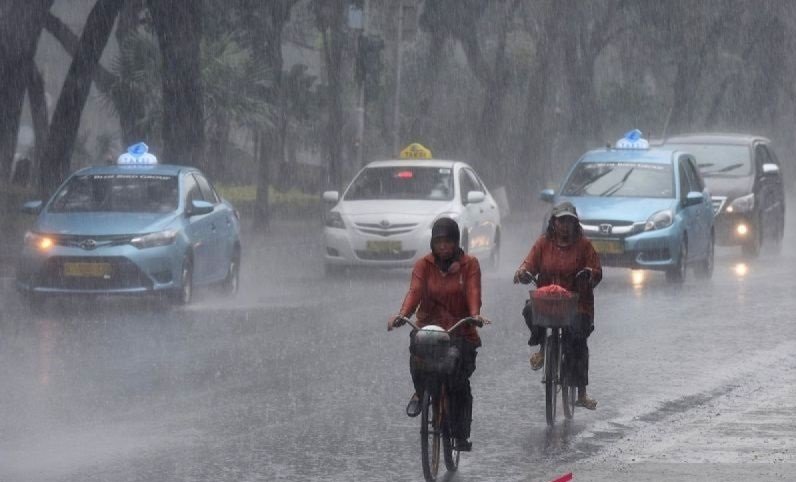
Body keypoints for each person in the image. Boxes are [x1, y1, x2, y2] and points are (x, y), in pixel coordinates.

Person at [387, 217, 488, 451]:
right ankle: (420, 393)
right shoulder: (423, 265)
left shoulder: (470, 265)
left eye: (448, 242)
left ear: (456, 243)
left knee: (458, 382)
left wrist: (475, 314)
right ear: (432, 243)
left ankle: (460, 435)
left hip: (460, 331)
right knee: (417, 355)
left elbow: (473, 291)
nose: (443, 246)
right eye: (438, 242)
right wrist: (402, 315)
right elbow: (414, 292)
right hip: (429, 329)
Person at [513, 201, 602, 410]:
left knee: (577, 341)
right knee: (529, 310)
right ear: (553, 223)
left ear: (575, 224)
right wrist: (522, 273)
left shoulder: (584, 245)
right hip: (547, 301)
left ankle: (581, 393)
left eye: (569, 221)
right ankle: (543, 347)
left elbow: (597, 271)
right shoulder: (543, 244)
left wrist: (589, 274)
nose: (565, 226)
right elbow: (528, 265)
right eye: (561, 221)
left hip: (577, 305)